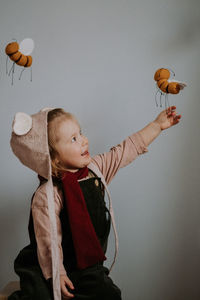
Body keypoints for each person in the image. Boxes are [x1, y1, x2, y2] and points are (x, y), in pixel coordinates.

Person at [9, 106, 181, 300]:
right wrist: (58, 274)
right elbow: (49, 240)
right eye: (73, 139)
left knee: (108, 294)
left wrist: (157, 125)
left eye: (80, 133)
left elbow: (124, 151)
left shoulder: (95, 170)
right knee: (39, 295)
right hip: (53, 264)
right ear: (54, 157)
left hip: (87, 266)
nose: (84, 140)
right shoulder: (47, 195)